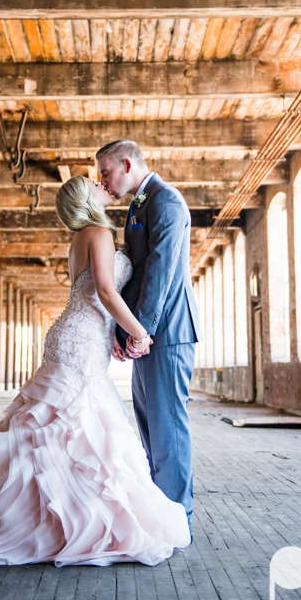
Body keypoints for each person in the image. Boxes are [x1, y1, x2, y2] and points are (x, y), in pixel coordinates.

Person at [0, 175, 190, 566]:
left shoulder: (83, 236)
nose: (103, 184)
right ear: (87, 198)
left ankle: (52, 518)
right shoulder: (99, 231)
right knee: (74, 428)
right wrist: (138, 332)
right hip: (81, 340)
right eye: (95, 183)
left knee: (64, 430)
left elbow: (92, 295)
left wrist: (116, 334)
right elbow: (104, 291)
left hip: (80, 334)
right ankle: (56, 523)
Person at [96, 140, 202, 539]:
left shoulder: (166, 201)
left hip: (167, 333)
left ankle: (179, 524)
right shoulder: (140, 205)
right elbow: (137, 276)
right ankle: (163, 517)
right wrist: (126, 330)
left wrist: (142, 332)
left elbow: (161, 273)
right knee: (151, 431)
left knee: (168, 430)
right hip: (149, 335)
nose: (104, 182)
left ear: (126, 163)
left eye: (106, 173)